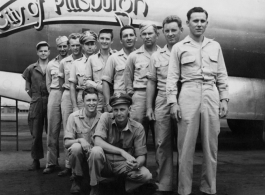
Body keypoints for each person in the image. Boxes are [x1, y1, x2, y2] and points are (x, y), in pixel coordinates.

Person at [166, 7, 229, 195]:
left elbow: (222, 75)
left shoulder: (215, 46)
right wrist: (173, 102)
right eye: (195, 21)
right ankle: (184, 190)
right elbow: (172, 77)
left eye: (202, 21)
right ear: (187, 24)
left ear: (207, 23)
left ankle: (209, 188)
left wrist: (224, 98)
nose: (199, 24)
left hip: (211, 93)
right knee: (185, 147)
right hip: (188, 93)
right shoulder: (179, 47)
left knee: (211, 146)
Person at [146, 15, 183, 194]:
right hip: (161, 101)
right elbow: (151, 82)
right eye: (167, 31)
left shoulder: (187, 51)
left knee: (184, 143)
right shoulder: (156, 56)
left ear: (181, 30)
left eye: (174, 30)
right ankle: (164, 184)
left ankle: (184, 185)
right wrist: (149, 107)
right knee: (162, 143)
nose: (170, 34)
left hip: (183, 99)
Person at [88, 93, 152, 195]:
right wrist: (122, 152)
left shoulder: (138, 128)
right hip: (106, 162)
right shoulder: (106, 118)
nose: (118, 113)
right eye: (115, 110)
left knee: (146, 175)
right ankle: (94, 186)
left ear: (129, 110)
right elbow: (97, 141)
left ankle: (120, 186)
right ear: (112, 110)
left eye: (122, 109)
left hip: (124, 165)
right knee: (95, 151)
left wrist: (136, 164)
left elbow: (141, 155)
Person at [124, 21, 160, 140]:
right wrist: (133, 95)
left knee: (160, 133)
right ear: (140, 36)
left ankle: (160, 159)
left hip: (159, 96)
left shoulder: (163, 55)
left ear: (157, 34)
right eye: (144, 34)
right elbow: (128, 78)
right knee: (137, 132)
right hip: (140, 95)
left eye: (150, 33)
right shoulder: (134, 56)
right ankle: (136, 158)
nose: (147, 36)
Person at [64, 88, 102, 194]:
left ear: (98, 101)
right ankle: (77, 179)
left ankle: (95, 184)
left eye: (94, 100)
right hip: (80, 160)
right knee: (75, 147)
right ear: (83, 102)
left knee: (97, 151)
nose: (91, 103)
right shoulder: (73, 117)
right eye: (88, 100)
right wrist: (80, 140)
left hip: (97, 158)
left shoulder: (103, 118)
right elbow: (67, 143)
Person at [58, 33, 85, 177]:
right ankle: (68, 165)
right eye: (72, 45)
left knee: (82, 128)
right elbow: (62, 82)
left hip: (82, 94)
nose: (75, 48)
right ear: (69, 46)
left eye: (77, 45)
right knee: (68, 129)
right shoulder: (64, 62)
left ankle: (81, 165)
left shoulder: (85, 60)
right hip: (68, 94)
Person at [22, 41, 50, 171]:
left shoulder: (53, 66)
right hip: (37, 101)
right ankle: (36, 160)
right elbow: (27, 86)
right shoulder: (31, 68)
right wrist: (34, 98)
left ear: (49, 52)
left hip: (50, 100)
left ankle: (52, 161)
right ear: (37, 53)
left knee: (51, 133)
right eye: (41, 51)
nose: (43, 53)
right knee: (36, 133)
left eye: (45, 51)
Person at [43, 36, 69, 174]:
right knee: (52, 129)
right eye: (60, 47)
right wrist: (54, 94)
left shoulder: (72, 61)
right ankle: (52, 163)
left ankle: (69, 165)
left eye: (65, 46)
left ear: (68, 47)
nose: (63, 49)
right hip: (54, 93)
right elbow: (48, 83)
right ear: (57, 48)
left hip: (67, 93)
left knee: (68, 129)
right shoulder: (50, 64)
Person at [102, 25, 137, 112]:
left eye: (131, 35)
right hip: (119, 100)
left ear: (136, 38)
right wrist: (107, 104)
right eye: (125, 36)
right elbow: (106, 82)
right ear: (121, 40)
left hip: (137, 100)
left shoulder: (140, 56)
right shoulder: (113, 58)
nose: (129, 38)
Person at [84, 29, 115, 112]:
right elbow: (86, 81)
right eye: (102, 38)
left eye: (107, 39)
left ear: (112, 41)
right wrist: (99, 87)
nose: (104, 41)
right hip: (97, 99)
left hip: (113, 98)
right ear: (98, 39)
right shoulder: (92, 59)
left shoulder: (116, 57)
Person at [69, 31, 97, 111]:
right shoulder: (76, 63)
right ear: (82, 46)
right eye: (87, 44)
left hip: (98, 98)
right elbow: (72, 87)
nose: (90, 47)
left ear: (95, 45)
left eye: (92, 44)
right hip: (82, 98)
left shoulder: (102, 61)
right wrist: (74, 106)